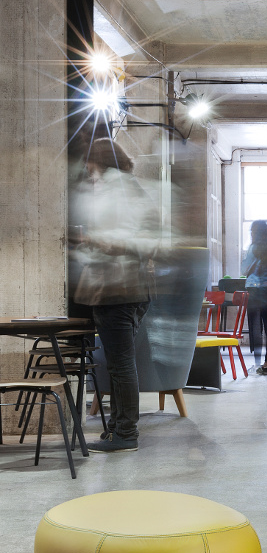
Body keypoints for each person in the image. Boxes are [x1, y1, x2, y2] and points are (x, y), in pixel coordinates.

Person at [71, 138, 160, 453]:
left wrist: (91, 243)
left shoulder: (113, 190)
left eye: (89, 163)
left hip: (115, 289)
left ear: (98, 161)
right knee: (121, 364)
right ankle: (118, 429)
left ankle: (125, 433)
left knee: (120, 365)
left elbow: (122, 239)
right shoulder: (132, 187)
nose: (88, 170)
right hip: (136, 289)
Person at [242, 220, 267, 376]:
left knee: (255, 328)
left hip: (255, 291)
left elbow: (244, 269)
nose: (251, 234)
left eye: (252, 231)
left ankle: (257, 362)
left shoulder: (253, 248)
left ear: (256, 232)